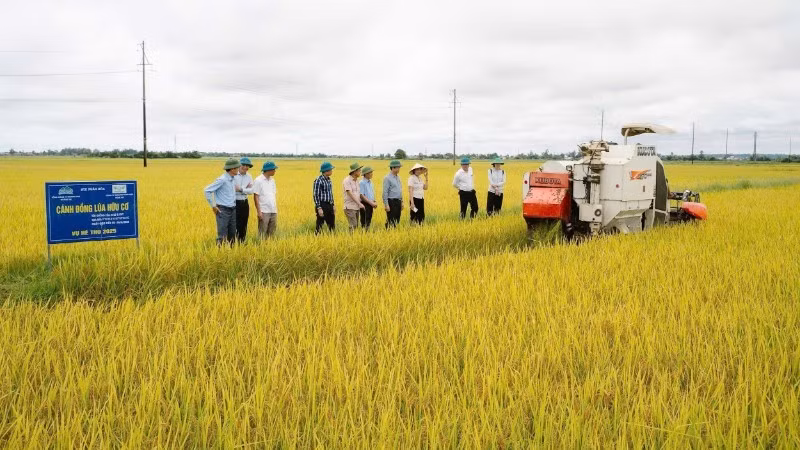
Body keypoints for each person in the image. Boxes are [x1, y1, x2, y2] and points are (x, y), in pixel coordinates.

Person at [204, 158, 241, 246]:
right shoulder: (222, 179)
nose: (238, 169)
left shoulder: (232, 179)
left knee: (232, 234)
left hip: (233, 209)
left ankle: (231, 254)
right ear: (232, 169)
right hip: (223, 210)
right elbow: (207, 190)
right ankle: (220, 254)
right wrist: (213, 206)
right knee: (222, 235)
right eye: (237, 168)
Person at [253, 161, 278, 238]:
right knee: (262, 233)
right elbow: (256, 196)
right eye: (274, 169)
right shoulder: (258, 180)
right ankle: (261, 248)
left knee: (272, 233)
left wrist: (275, 209)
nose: (275, 171)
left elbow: (273, 195)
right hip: (264, 211)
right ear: (269, 170)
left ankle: (269, 248)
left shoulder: (272, 180)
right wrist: (259, 212)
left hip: (273, 210)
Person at [233, 157, 255, 243]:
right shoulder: (233, 175)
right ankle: (232, 243)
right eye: (244, 165)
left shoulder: (249, 176)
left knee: (244, 223)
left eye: (248, 166)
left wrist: (241, 189)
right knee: (234, 224)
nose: (246, 167)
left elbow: (252, 190)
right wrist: (246, 189)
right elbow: (232, 189)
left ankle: (242, 242)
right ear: (239, 165)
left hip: (245, 203)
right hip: (234, 202)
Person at [313, 162, 336, 234]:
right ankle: (317, 239)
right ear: (326, 171)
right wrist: (319, 208)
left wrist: (333, 205)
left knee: (332, 225)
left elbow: (330, 193)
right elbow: (316, 195)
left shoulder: (329, 180)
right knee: (320, 225)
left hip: (330, 205)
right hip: (322, 205)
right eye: (330, 170)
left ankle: (332, 239)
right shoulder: (318, 180)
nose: (332, 171)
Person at [343, 162, 365, 231]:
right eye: (359, 171)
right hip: (350, 207)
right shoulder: (347, 180)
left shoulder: (357, 181)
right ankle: (350, 240)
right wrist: (359, 203)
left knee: (355, 225)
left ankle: (353, 238)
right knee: (353, 225)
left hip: (356, 207)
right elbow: (350, 193)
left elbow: (358, 194)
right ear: (354, 171)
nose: (360, 172)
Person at [382, 160, 403, 229]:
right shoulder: (387, 178)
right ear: (393, 168)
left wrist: (402, 202)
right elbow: (385, 192)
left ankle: (393, 233)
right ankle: (388, 233)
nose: (399, 169)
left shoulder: (398, 177)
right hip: (391, 202)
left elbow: (400, 190)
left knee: (397, 219)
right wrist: (386, 205)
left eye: (399, 167)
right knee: (391, 219)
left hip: (398, 201)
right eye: (398, 167)